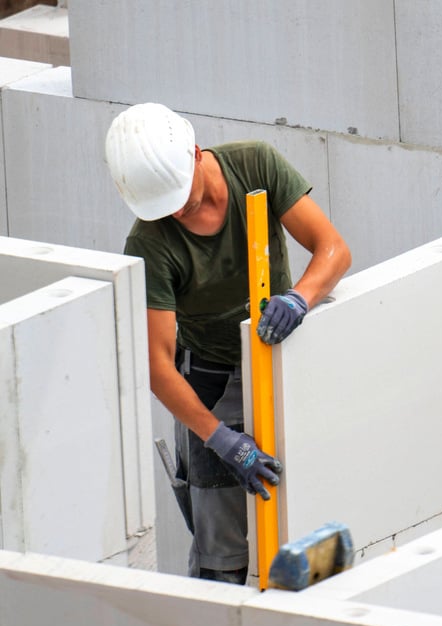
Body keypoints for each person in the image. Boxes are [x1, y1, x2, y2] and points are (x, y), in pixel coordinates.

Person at [104, 103, 352, 584]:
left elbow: (333, 249)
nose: (178, 211)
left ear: (196, 154)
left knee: (305, 513)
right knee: (222, 553)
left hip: (284, 356)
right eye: (166, 206)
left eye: (183, 197)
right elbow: (157, 366)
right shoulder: (150, 242)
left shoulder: (254, 165)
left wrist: (300, 298)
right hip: (210, 380)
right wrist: (221, 440)